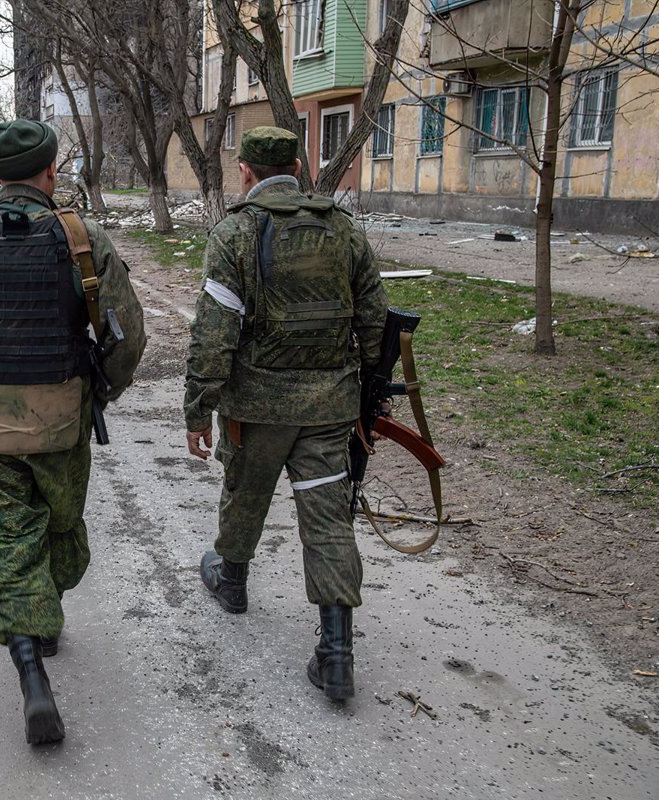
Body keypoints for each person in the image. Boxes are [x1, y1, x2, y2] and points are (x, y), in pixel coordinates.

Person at [0, 119, 146, 743]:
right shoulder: (82, 239)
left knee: (9, 532)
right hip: (64, 416)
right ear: (50, 174)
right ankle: (39, 637)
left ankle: (30, 644)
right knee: (62, 519)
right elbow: (128, 337)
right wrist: (101, 390)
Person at [183, 126, 388, 702]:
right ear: (297, 167)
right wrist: (363, 388)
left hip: (258, 406)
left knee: (246, 490)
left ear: (245, 171)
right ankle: (337, 652)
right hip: (329, 408)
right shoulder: (342, 227)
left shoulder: (235, 232)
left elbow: (214, 333)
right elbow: (374, 314)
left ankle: (232, 579)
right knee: (327, 517)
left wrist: (199, 406)